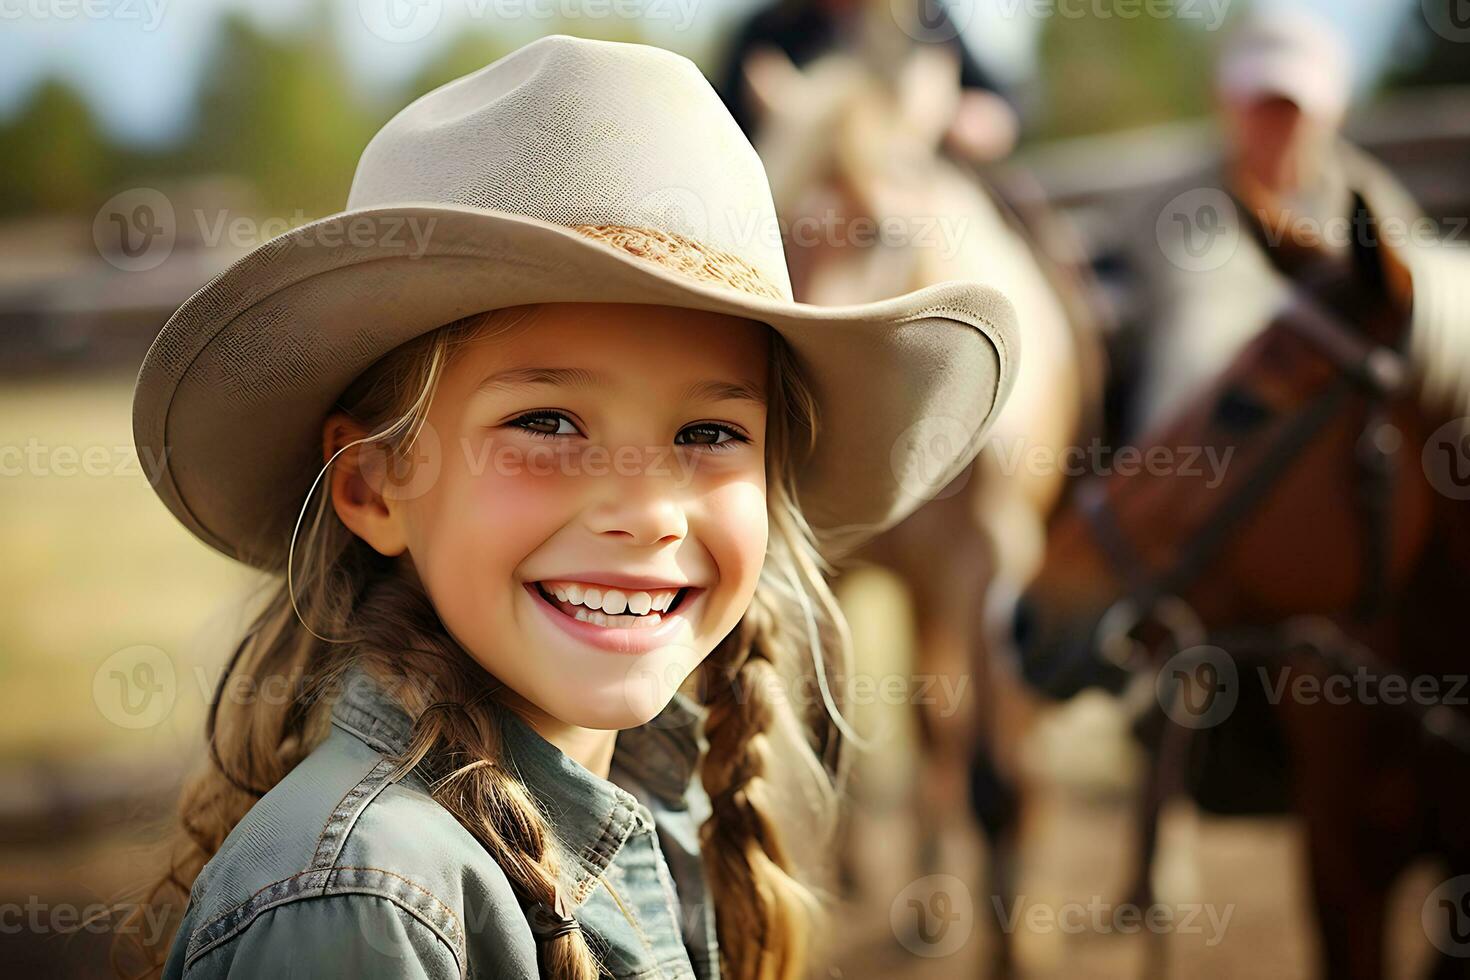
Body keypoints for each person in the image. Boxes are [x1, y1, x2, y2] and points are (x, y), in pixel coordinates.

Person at [119, 34, 1017, 980]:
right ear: (372, 484)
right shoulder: (367, 914)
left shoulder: (660, 823)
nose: (648, 513)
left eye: (710, 434)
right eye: (547, 422)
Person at [1124, 7, 1423, 436]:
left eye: (1290, 107)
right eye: (1259, 104)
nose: (1275, 124)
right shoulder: (1169, 207)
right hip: (1185, 466)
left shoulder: (1375, 206)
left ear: (1332, 111)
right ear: (1224, 102)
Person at [717, 0, 1020, 163]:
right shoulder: (767, 31)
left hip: (915, 192)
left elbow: (1001, 107)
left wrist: (962, 119)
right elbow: (722, 131)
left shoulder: (924, 20)